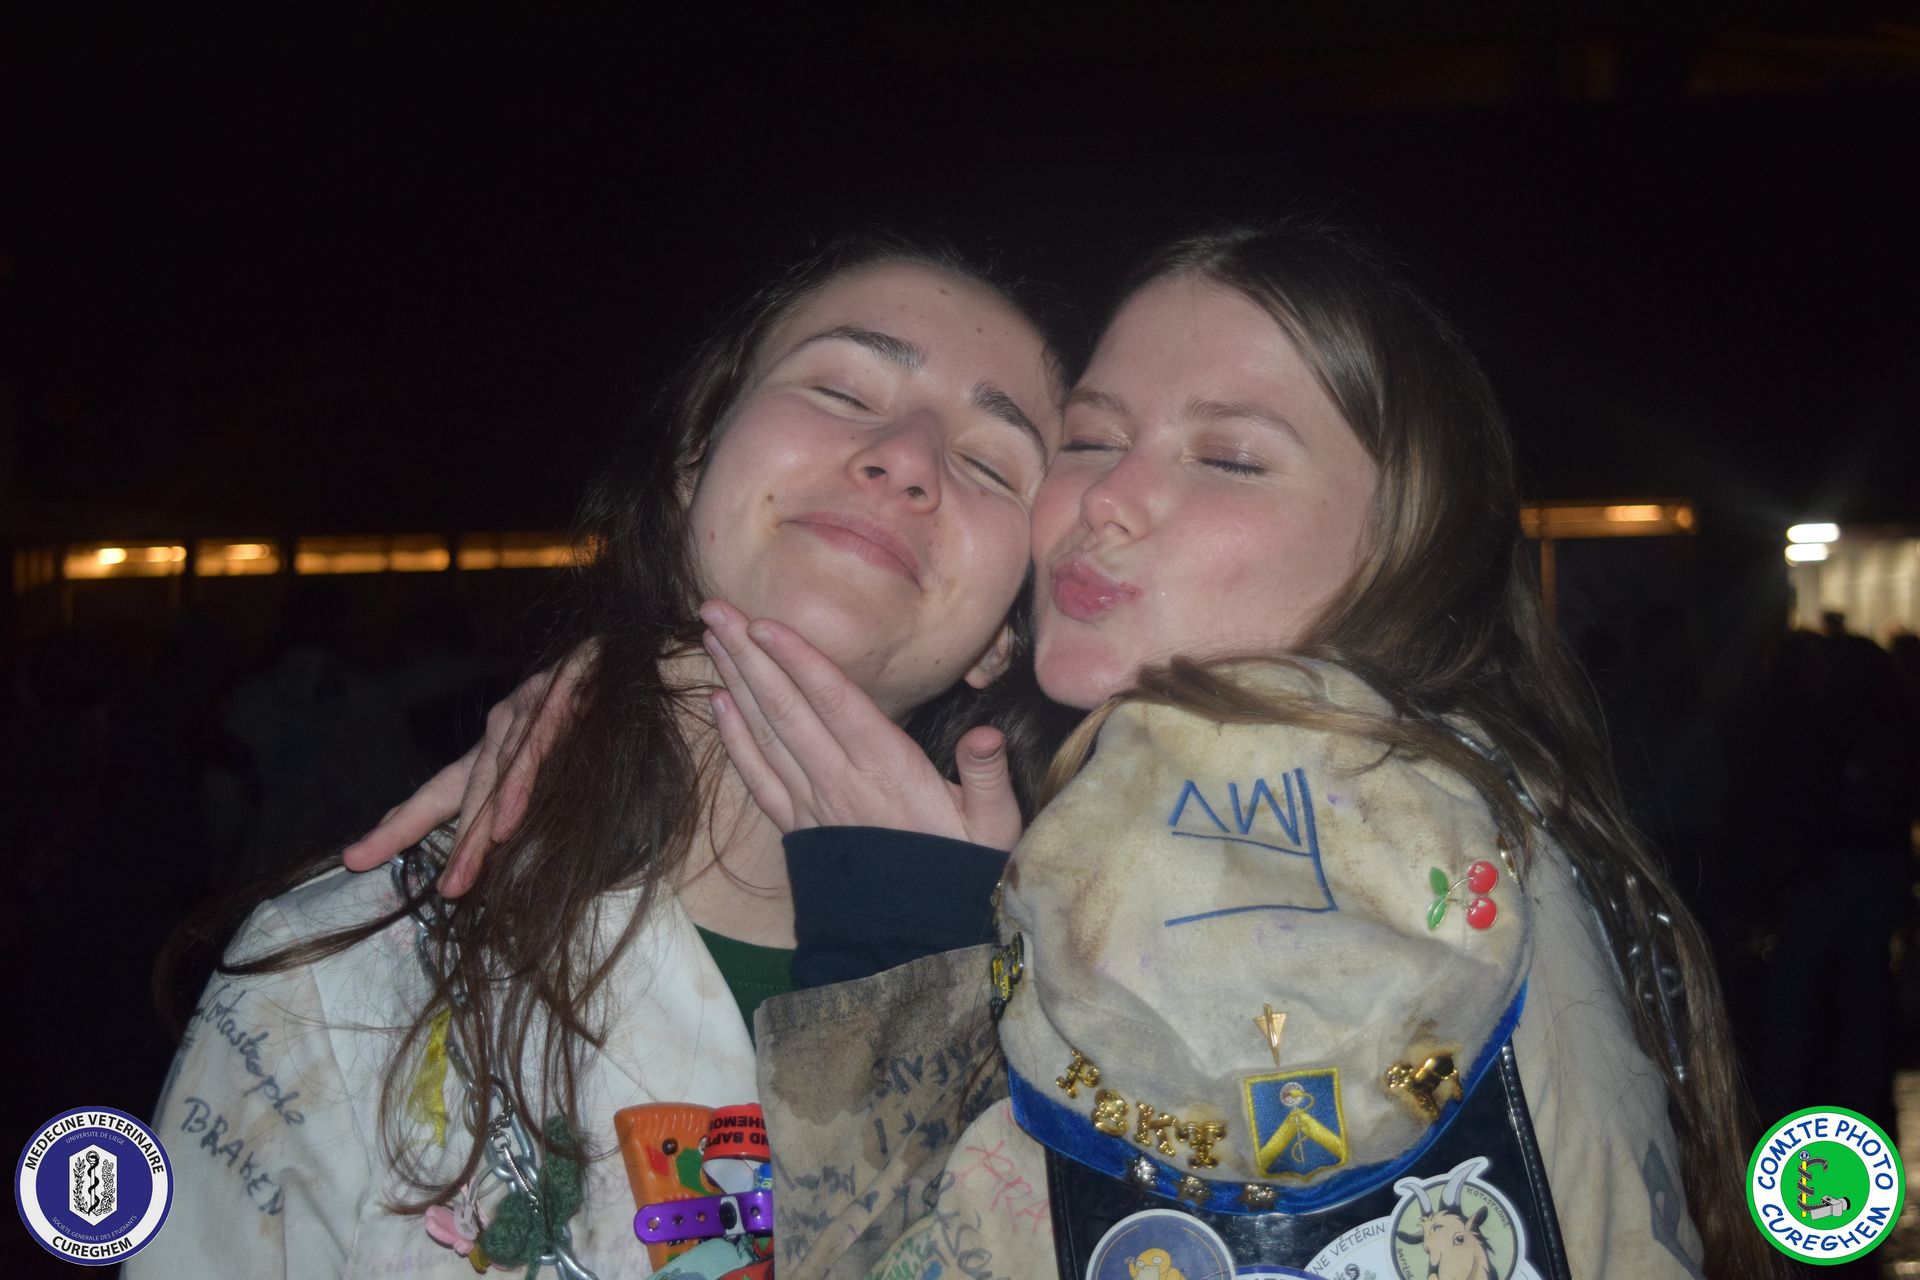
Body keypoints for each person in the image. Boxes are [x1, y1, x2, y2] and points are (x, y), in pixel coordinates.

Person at [359, 222, 1770, 1278]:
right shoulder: (1362, 799)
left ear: (1408, 543)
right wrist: (651, 677)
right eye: (1091, 440)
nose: (1112, 502)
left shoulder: (1266, 821)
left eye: (1230, 456)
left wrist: (907, 965)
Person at [133, 231, 1072, 1280]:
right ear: (689, 469)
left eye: (991, 462)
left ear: (1007, 634)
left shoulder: (1087, 1035)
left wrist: (937, 990)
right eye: (843, 390)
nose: (908, 456)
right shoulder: (349, 976)